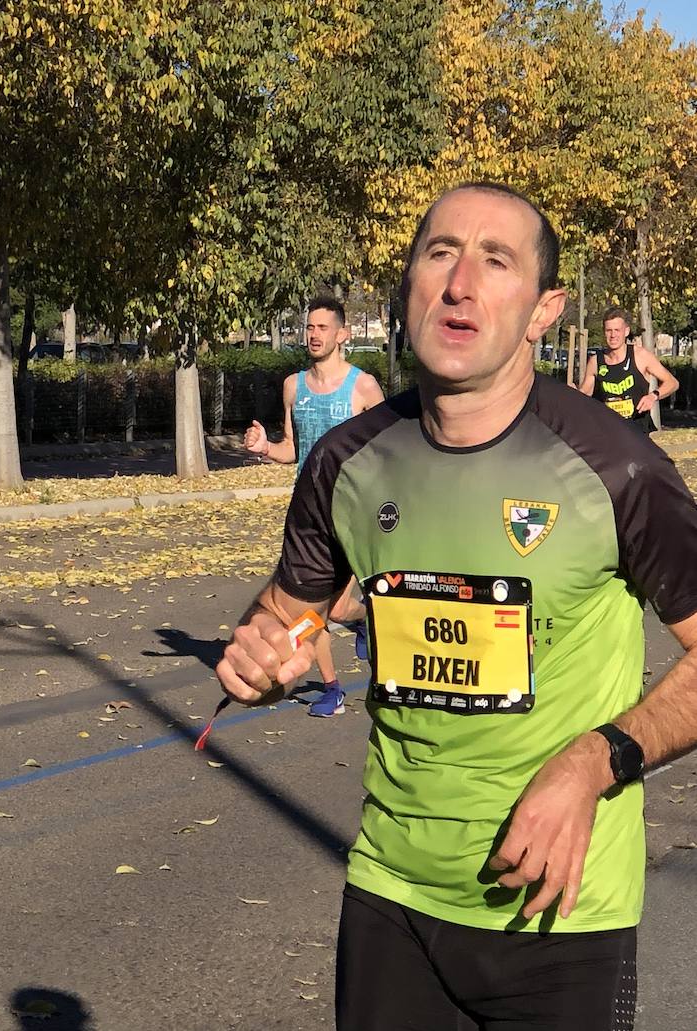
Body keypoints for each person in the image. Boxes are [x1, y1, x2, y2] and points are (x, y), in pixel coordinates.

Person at [216, 182, 697, 1030]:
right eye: (439, 252)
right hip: (392, 895)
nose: (459, 282)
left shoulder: (617, 467)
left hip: (561, 916)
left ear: (544, 308)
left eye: (495, 259)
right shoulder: (347, 462)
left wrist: (594, 762)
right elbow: (292, 615)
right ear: (407, 284)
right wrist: (266, 657)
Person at [243, 296, 384, 717]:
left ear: (343, 334)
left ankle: (363, 619)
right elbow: (292, 448)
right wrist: (266, 447)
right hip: (308, 518)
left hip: (353, 513)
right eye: (309, 328)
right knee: (311, 607)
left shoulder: (363, 387)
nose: (314, 335)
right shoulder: (293, 386)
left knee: (338, 607)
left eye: (323, 328)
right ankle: (332, 687)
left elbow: (388, 450)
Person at [576, 307, 677, 432]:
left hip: (638, 432)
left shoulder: (641, 356)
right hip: (608, 433)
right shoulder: (596, 361)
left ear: (626, 331)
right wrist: (571, 394)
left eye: (617, 330)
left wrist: (653, 396)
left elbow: (672, 382)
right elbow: (583, 395)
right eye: (609, 330)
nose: (613, 335)